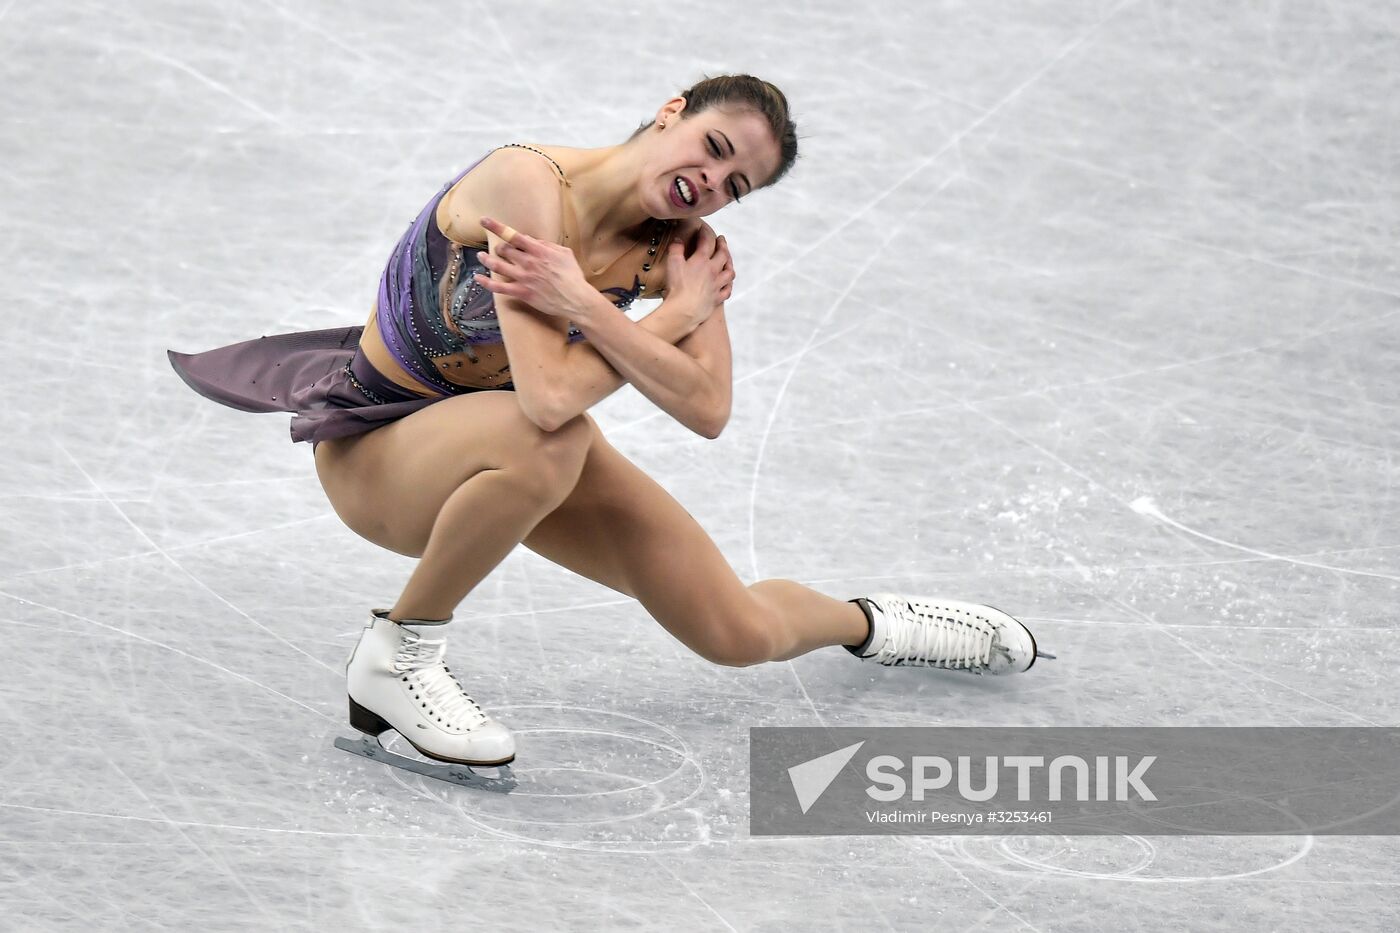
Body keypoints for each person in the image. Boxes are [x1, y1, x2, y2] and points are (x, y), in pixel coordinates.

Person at [168, 74, 1047, 775]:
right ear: (672, 112)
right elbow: (551, 400)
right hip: (380, 459)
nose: (709, 183)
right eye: (713, 148)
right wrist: (661, 319)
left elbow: (707, 407)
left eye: (734, 186)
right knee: (553, 437)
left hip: (506, 450)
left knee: (737, 632)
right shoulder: (523, 182)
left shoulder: (679, 252)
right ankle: (398, 654)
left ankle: (875, 623)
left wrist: (605, 306)